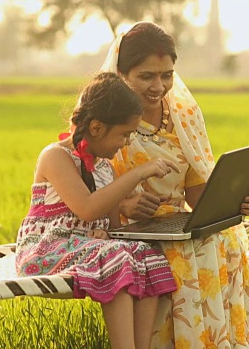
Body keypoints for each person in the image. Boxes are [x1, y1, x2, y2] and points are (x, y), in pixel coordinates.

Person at [101, 22, 249, 348]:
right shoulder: (101, 117)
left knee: (221, 240)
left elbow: (197, 194)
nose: (159, 86)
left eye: (167, 75)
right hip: (124, 231)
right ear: (120, 73)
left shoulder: (184, 115)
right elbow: (83, 194)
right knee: (189, 251)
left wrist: (233, 202)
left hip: (175, 224)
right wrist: (124, 205)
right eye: (146, 76)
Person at [15, 72, 181, 349]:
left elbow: (113, 229)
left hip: (88, 251)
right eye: (124, 134)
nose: (126, 143)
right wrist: (138, 173)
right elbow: (88, 209)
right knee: (117, 257)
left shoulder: (105, 168)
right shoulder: (55, 156)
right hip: (46, 251)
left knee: (147, 255)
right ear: (95, 128)